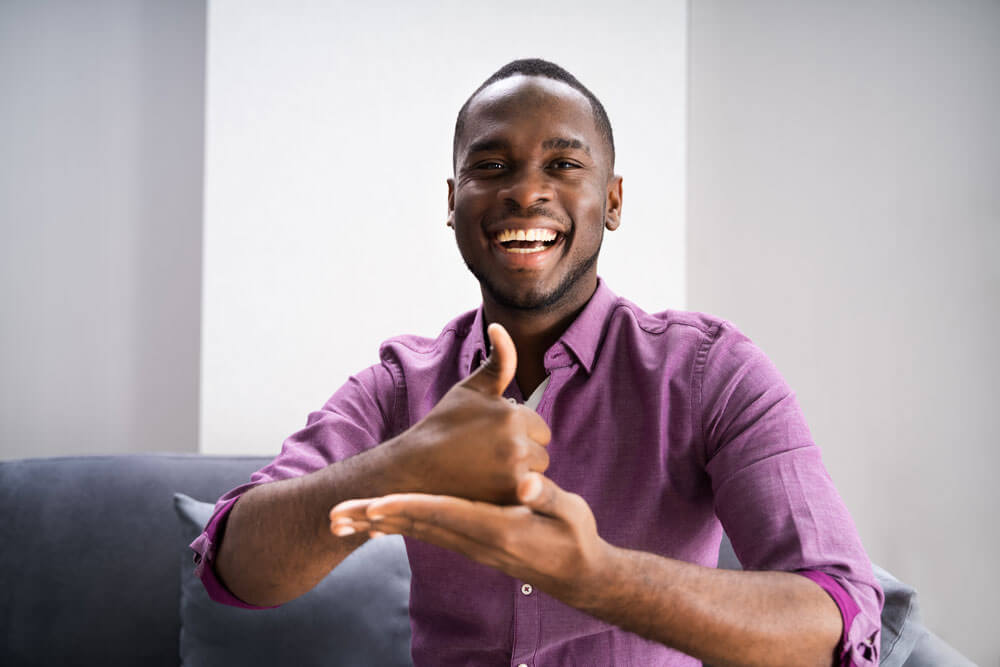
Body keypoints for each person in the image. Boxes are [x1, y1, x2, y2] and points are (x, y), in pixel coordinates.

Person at [191, 59, 883, 666]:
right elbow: (232, 567)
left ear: (612, 201)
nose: (525, 191)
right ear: (453, 202)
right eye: (490, 167)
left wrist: (599, 577)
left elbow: (837, 619)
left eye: (563, 164)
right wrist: (407, 460)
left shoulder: (713, 374)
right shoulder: (397, 386)